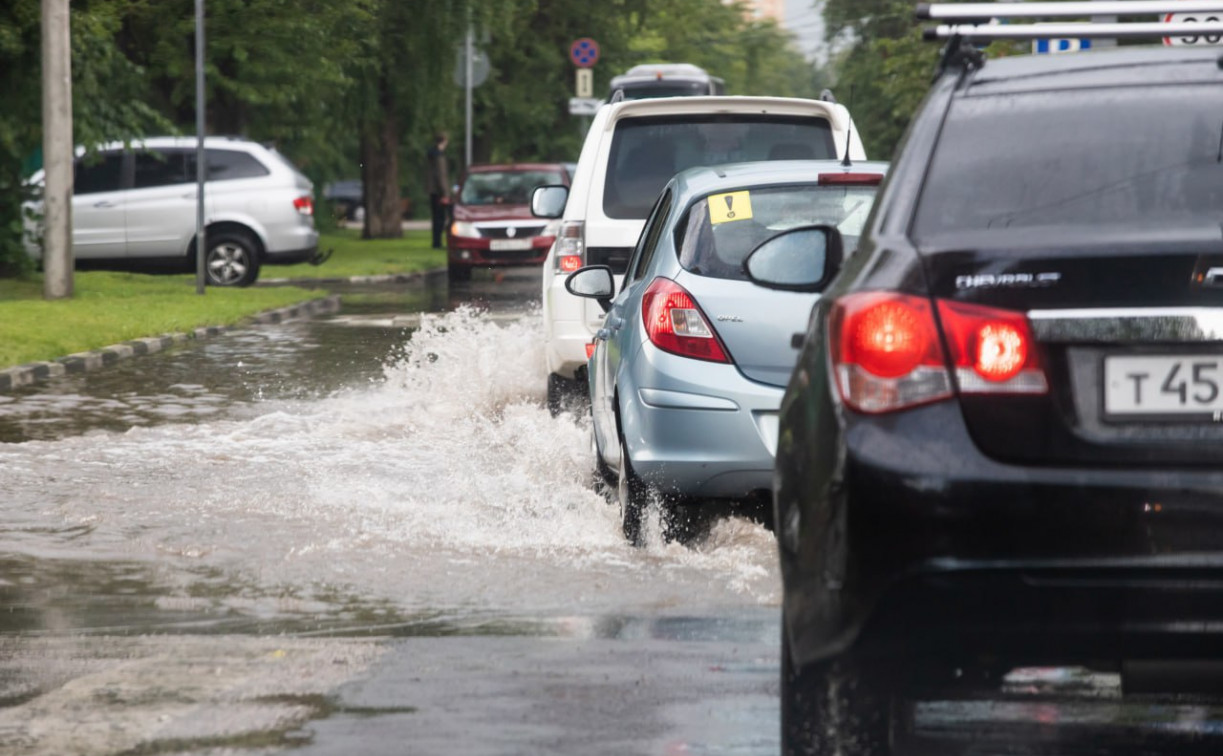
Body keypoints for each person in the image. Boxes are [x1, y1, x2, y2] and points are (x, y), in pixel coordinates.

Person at [426, 132, 451, 249]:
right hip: (439, 192)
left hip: (433, 190)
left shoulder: (431, 155)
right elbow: (441, 176)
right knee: (441, 218)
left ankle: (436, 241)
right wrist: (445, 193)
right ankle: (438, 242)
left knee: (436, 217)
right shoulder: (439, 156)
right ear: (444, 141)